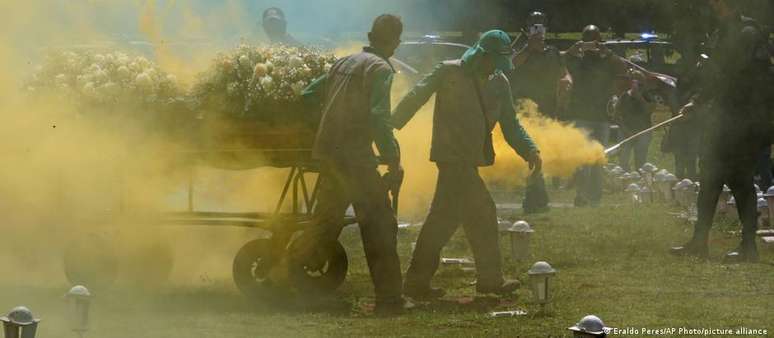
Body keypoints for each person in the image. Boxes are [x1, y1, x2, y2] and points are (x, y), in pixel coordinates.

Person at [391, 30, 542, 300]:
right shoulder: (448, 72)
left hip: (469, 160)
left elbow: (511, 124)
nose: (496, 68)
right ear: (481, 55)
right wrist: (391, 124)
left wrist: (529, 149)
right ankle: (489, 280)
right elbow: (416, 95)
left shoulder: (500, 82)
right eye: (493, 61)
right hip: (450, 158)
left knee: (443, 220)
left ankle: (417, 282)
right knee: (483, 211)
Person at [298, 14, 408, 314]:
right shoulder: (381, 69)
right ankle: (389, 299)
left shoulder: (343, 63)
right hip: (355, 159)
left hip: (329, 154)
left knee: (326, 222)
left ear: (371, 36)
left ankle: (287, 276)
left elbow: (308, 95)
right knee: (379, 225)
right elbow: (378, 117)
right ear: (395, 41)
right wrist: (393, 155)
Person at [670, 0, 772, 263]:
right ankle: (699, 242)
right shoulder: (724, 31)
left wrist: (700, 99)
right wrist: (698, 99)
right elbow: (716, 74)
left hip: (747, 121)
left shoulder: (748, 33)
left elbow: (730, 76)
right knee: (710, 179)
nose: (712, 6)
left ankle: (748, 247)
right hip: (726, 119)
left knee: (740, 182)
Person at [510, 10, 574, 214]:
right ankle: (533, 198)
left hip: (548, 111)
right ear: (528, 29)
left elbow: (564, 73)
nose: (538, 30)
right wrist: (529, 48)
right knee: (531, 153)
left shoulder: (553, 52)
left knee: (542, 154)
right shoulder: (522, 51)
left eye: (541, 26)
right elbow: (511, 65)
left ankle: (539, 197)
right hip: (526, 112)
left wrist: (567, 81)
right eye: (534, 26)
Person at [563, 25, 627, 207]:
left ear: (599, 41)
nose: (591, 45)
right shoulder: (578, 61)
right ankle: (582, 195)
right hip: (580, 114)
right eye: (588, 40)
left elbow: (622, 67)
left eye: (594, 40)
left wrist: (607, 53)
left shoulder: (607, 60)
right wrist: (572, 50)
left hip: (601, 116)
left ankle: (595, 197)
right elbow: (560, 61)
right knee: (582, 159)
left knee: (597, 159)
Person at [614, 70, 654, 172]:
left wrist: (639, 97)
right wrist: (625, 130)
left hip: (643, 131)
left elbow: (650, 110)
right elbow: (616, 115)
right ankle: (624, 182)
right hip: (626, 131)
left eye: (640, 83)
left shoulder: (647, 95)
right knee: (623, 161)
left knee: (641, 162)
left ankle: (640, 181)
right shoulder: (624, 96)